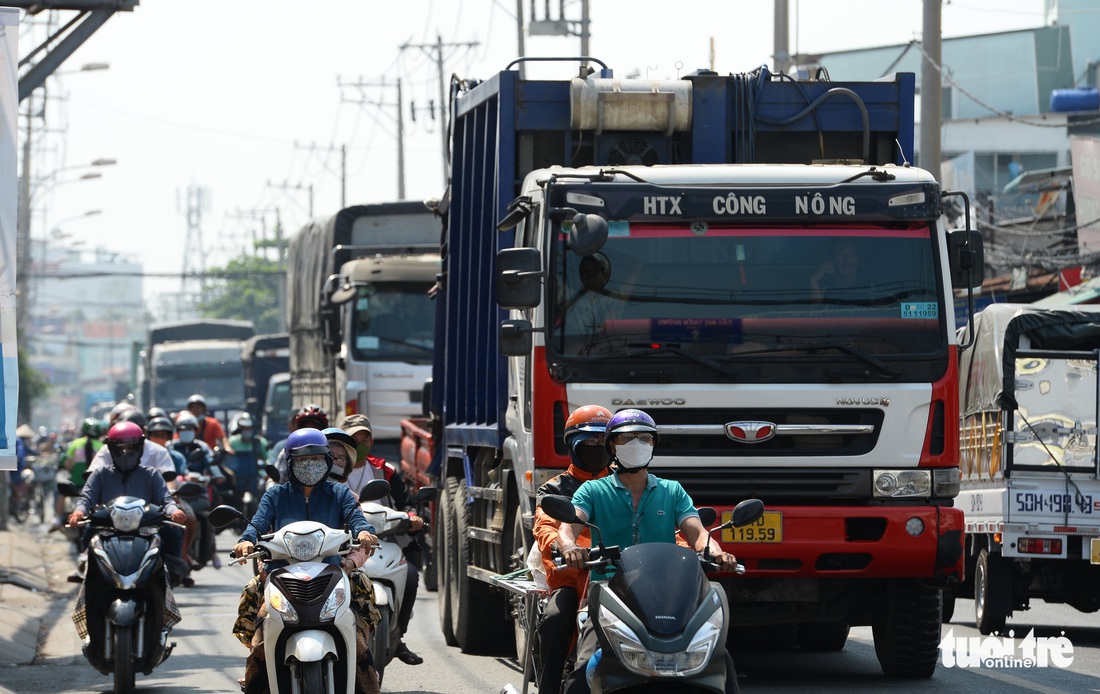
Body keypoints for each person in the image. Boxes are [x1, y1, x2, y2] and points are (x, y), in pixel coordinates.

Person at [557, 409, 737, 694]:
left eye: (644, 438)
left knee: (718, 660)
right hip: (609, 593)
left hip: (668, 597)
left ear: (653, 445)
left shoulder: (672, 490)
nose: (637, 443)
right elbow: (568, 528)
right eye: (628, 438)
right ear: (612, 446)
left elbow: (698, 533)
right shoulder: (592, 491)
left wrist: (717, 553)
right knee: (585, 669)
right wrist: (569, 547)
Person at [231, 427, 380, 694]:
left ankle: (366, 680)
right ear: (290, 463)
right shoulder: (275, 495)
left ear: (326, 461)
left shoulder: (340, 493)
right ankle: (256, 680)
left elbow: (357, 519)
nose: (309, 466)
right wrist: (246, 540)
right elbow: (257, 524)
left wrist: (365, 532)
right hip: (281, 575)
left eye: (316, 460)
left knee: (360, 624)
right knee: (260, 634)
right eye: (302, 461)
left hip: (333, 573)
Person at [532, 405, 612, 694]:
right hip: (573, 578)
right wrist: (567, 548)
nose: (596, 448)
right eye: (588, 442)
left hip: (622, 575)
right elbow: (546, 528)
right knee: (554, 620)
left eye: (602, 442)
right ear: (572, 445)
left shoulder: (625, 481)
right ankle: (550, 688)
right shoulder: (554, 489)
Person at [337, 413, 424, 666]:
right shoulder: (330, 469)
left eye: (366, 438)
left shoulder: (384, 469)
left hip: (380, 540)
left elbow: (405, 503)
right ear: (342, 442)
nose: (361, 444)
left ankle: (397, 639)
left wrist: (412, 517)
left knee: (410, 575)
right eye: (355, 439)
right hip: (343, 544)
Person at [67, 422, 189, 571]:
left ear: (140, 449)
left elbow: (166, 499)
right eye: (120, 450)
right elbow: (86, 498)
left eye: (131, 449)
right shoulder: (100, 474)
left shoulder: (151, 474)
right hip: (107, 531)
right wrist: (79, 511)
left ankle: (171, 577)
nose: (125, 454)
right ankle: (85, 579)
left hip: (146, 532)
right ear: (111, 450)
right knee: (88, 540)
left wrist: (174, 511)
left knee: (172, 535)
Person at [51, 418, 104, 530]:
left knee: (60, 492)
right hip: (97, 485)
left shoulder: (75, 444)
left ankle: (57, 519)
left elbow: (67, 463)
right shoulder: (101, 447)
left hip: (76, 483)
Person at [271, 404, 330, 482]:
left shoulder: (330, 451)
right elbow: (278, 477)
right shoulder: (289, 451)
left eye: (317, 459)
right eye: (301, 459)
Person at [224, 413, 269, 508]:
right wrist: (230, 474)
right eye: (244, 428)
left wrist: (266, 474)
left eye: (249, 428)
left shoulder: (260, 442)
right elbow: (226, 462)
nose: (247, 431)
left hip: (254, 479)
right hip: (236, 480)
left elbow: (268, 460)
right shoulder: (232, 442)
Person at [809, 239, 861, 303]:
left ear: (858, 259)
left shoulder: (871, 283)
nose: (847, 259)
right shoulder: (824, 284)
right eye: (841, 254)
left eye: (852, 253)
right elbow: (813, 311)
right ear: (832, 259)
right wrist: (813, 280)